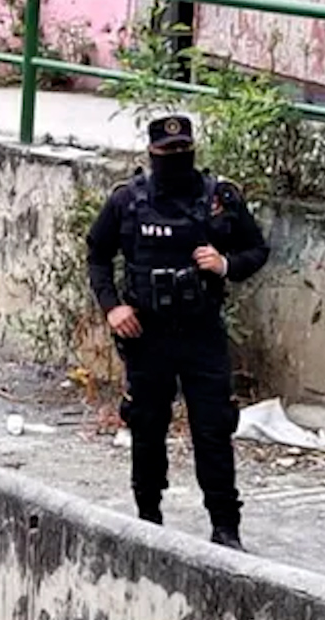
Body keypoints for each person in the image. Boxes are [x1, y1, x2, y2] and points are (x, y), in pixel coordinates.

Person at [85, 114, 269, 551]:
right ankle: (148, 518)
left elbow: (256, 249)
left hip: (201, 333)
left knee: (213, 429)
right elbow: (97, 254)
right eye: (168, 152)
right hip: (147, 335)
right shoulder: (128, 201)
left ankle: (226, 528)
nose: (176, 156)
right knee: (147, 427)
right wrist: (113, 307)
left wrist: (226, 265)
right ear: (152, 153)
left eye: (183, 149)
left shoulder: (219, 199)